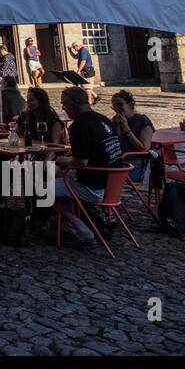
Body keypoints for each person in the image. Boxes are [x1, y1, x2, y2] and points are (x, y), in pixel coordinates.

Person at [54, 86, 125, 248]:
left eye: (65, 104)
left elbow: (81, 163)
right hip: (113, 186)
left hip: (92, 186)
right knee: (59, 181)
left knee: (41, 189)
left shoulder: (78, 126)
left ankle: (82, 231)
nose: (63, 108)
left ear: (75, 103)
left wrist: (63, 161)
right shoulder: (103, 119)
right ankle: (71, 224)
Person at [110, 89, 154, 181]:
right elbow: (115, 145)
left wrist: (127, 129)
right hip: (118, 162)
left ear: (130, 104)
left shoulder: (142, 121)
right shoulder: (116, 121)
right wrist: (117, 127)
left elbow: (144, 149)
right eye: (115, 106)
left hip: (134, 165)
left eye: (120, 104)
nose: (117, 108)